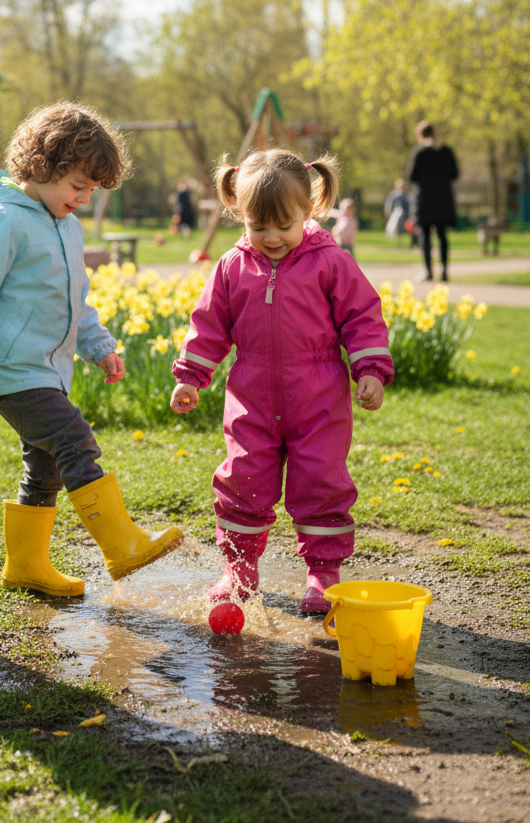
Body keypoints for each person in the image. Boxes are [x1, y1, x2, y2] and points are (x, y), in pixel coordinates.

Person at [0, 102, 183, 597]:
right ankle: (121, 545)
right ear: (40, 166)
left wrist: (99, 345)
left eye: (92, 189)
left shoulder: (66, 225)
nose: (84, 197)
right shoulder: (4, 220)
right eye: (77, 185)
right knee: (74, 439)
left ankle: (26, 566)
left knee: (46, 467)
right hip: (8, 368)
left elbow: (74, 298)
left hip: (45, 370)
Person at [169, 149, 393, 613]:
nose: (270, 237)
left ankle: (323, 573)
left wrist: (369, 369)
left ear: (308, 211)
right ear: (241, 215)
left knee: (321, 482)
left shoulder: (330, 263)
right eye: (258, 226)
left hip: (319, 399)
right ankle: (239, 569)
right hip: (251, 397)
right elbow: (209, 324)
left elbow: (362, 318)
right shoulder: (233, 266)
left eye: (283, 226)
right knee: (242, 480)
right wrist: (191, 375)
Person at [406, 121, 459, 282]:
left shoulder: (420, 152)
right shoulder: (446, 151)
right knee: (443, 235)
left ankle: (428, 271)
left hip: (425, 201)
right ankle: (444, 271)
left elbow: (412, 176)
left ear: (420, 135)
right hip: (443, 200)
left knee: (426, 235)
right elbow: (455, 174)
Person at [384, 178, 411, 242]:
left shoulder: (408, 195)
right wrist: (388, 211)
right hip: (397, 214)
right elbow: (389, 203)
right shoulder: (394, 194)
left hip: (407, 214)